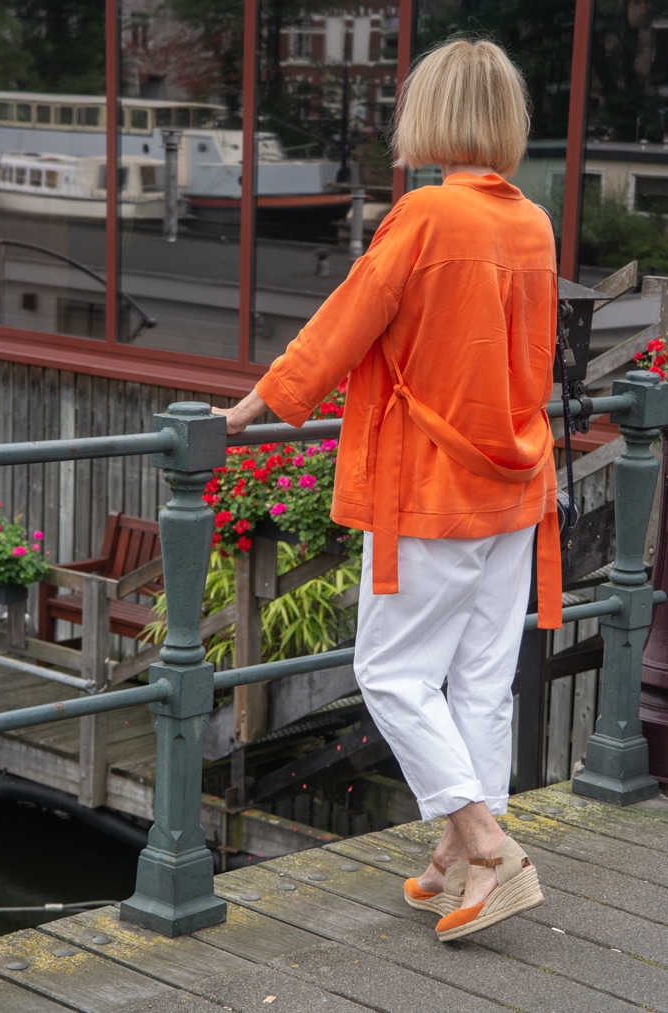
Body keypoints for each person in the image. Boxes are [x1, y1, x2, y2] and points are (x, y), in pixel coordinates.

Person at [213, 37, 562, 942]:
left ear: (430, 115)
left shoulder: (425, 215)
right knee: (481, 681)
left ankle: (484, 843)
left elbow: (347, 320)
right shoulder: (531, 220)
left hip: (431, 486)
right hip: (514, 483)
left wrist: (258, 402)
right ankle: (457, 862)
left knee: (392, 671)